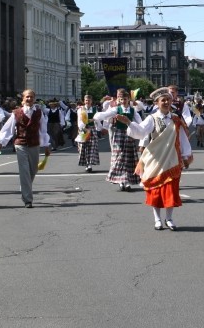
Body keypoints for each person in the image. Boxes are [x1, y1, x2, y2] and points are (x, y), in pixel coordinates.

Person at [119, 87, 192, 231]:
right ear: (157, 103)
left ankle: (169, 218)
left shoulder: (176, 120)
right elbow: (140, 132)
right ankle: (157, 219)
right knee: (155, 191)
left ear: (171, 101)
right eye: (162, 100)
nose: (166, 102)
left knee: (171, 190)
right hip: (155, 160)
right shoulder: (151, 118)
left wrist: (186, 156)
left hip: (172, 159)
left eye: (168, 99)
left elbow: (183, 139)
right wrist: (129, 122)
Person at [0, 89, 51, 207]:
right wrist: (0, 143)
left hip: (34, 144)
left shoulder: (39, 113)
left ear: (34, 99)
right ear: (23, 99)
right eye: (27, 97)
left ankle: (25, 185)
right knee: (24, 170)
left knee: (33, 169)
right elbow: (7, 129)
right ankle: (28, 199)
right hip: (20, 144)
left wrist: (46, 145)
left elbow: (43, 130)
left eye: (31, 97)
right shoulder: (16, 113)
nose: (29, 99)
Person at [93, 89, 142, 191]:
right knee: (119, 157)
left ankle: (126, 181)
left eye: (125, 99)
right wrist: (98, 117)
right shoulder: (116, 109)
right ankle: (121, 181)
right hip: (119, 134)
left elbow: (140, 123)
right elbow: (105, 114)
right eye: (121, 99)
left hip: (129, 135)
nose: (123, 101)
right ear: (119, 99)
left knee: (129, 158)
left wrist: (141, 132)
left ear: (128, 99)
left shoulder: (133, 111)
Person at [77, 94, 102, 173]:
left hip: (92, 130)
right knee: (83, 147)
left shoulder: (95, 109)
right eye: (86, 100)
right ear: (84, 101)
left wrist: (99, 128)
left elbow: (97, 120)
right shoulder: (80, 110)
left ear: (91, 101)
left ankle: (89, 164)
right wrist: (82, 127)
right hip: (83, 129)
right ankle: (86, 164)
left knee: (92, 147)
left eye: (89, 100)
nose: (87, 102)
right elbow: (79, 120)